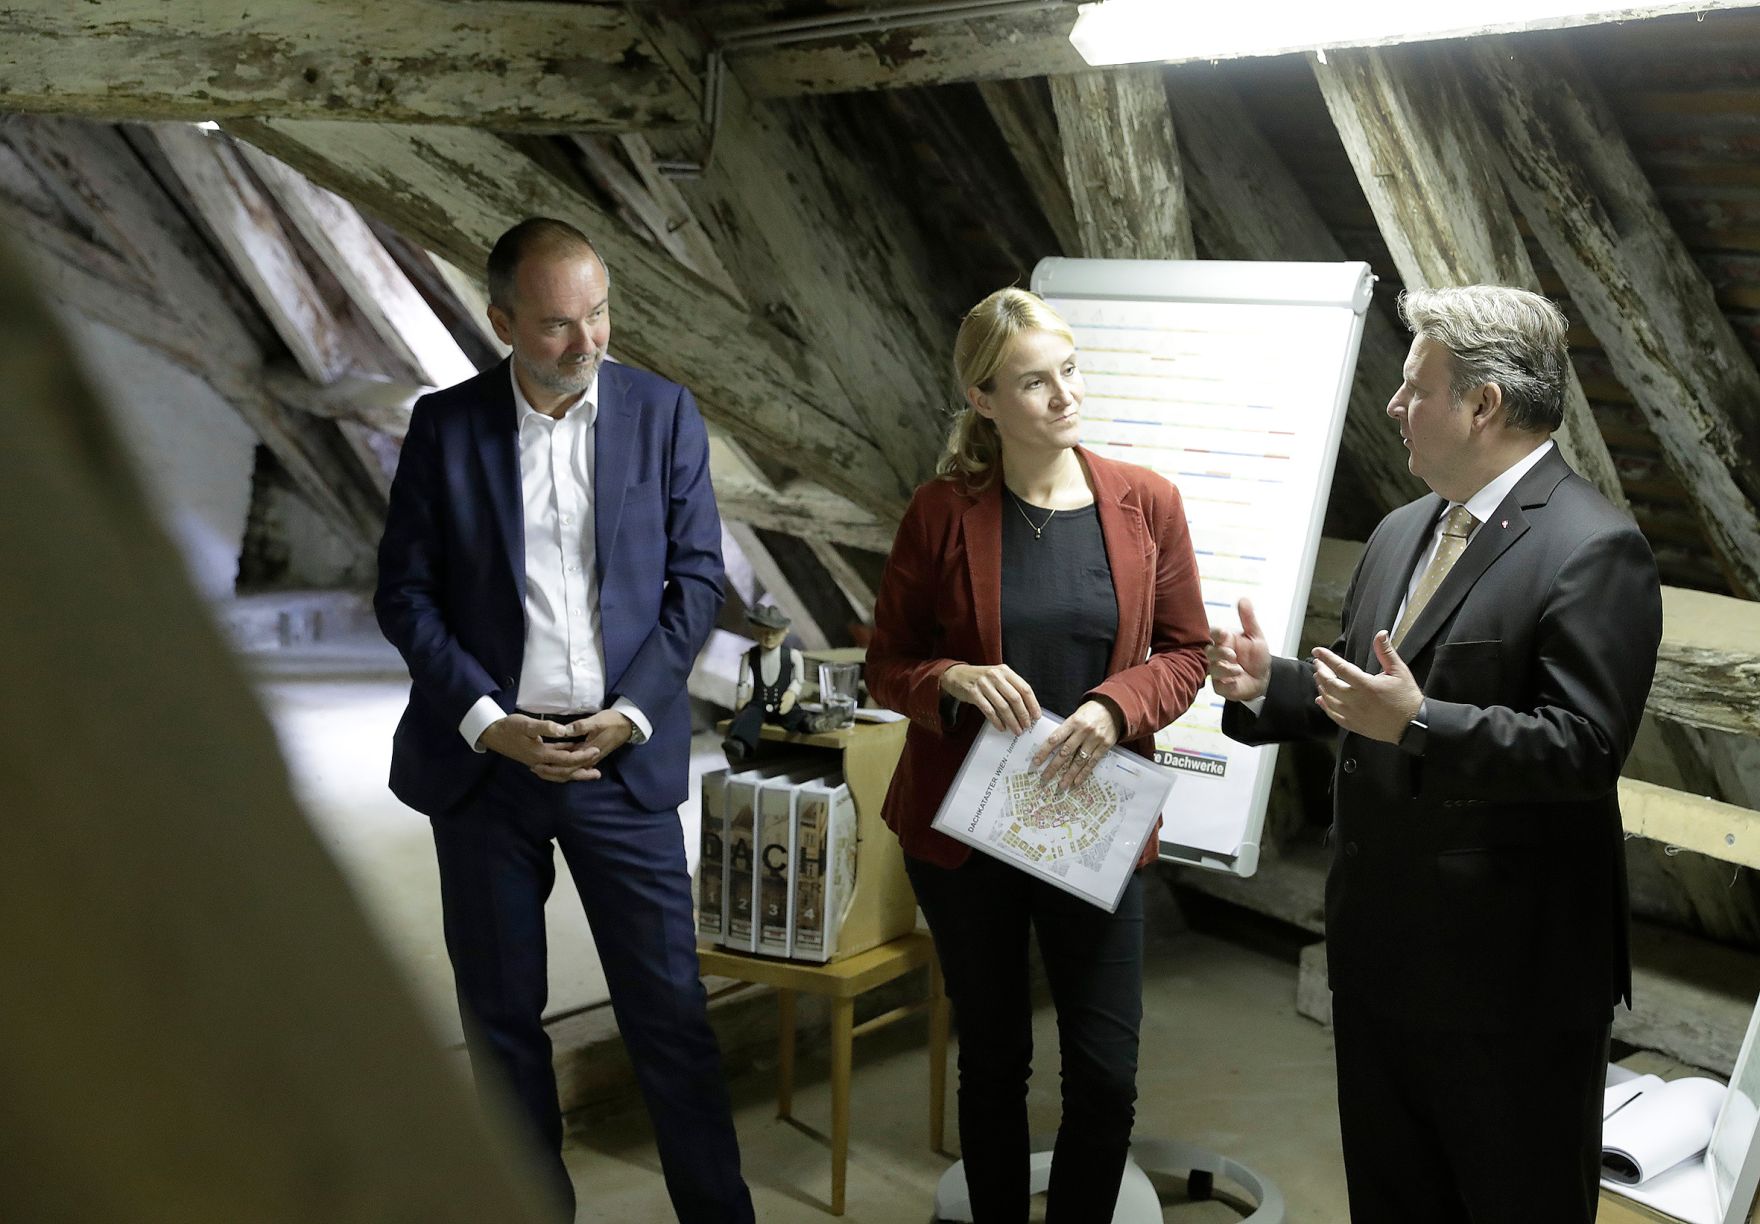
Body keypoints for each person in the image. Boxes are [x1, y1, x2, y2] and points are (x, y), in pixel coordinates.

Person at [1209, 285, 1662, 1223]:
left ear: (1482, 405)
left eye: (1415, 386)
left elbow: (1581, 751)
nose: (1393, 405)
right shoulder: (1401, 530)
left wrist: (1418, 724)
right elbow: (1375, 704)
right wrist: (1275, 686)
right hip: (1380, 959)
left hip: (1510, 986)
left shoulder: (1594, 547)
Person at [374, 217, 753, 1223]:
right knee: (500, 1028)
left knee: (669, 1017)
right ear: (500, 321)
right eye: (553, 325)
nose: (585, 343)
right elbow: (404, 595)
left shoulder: (663, 415)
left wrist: (631, 714)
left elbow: (696, 582)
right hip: (487, 774)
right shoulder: (443, 426)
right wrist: (486, 721)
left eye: (598, 316)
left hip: (618, 765)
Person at [866, 287, 1209, 1221]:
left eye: (1069, 371)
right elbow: (884, 663)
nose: (1064, 396)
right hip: (967, 834)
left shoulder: (1147, 504)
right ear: (983, 400)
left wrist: (1114, 707)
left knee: (1105, 1073)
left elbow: (1188, 654)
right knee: (996, 1062)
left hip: (1094, 828)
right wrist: (951, 677)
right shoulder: (941, 512)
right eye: (1033, 383)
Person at [721, 602, 806, 762]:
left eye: (774, 632)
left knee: (796, 717)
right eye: (763, 632)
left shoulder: (793, 656)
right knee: (748, 717)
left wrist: (791, 693)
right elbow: (743, 682)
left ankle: (813, 723)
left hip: (783, 703)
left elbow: (798, 680)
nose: (768, 637)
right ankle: (739, 744)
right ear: (754, 630)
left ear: (785, 631)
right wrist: (741, 698)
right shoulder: (749, 656)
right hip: (758, 704)